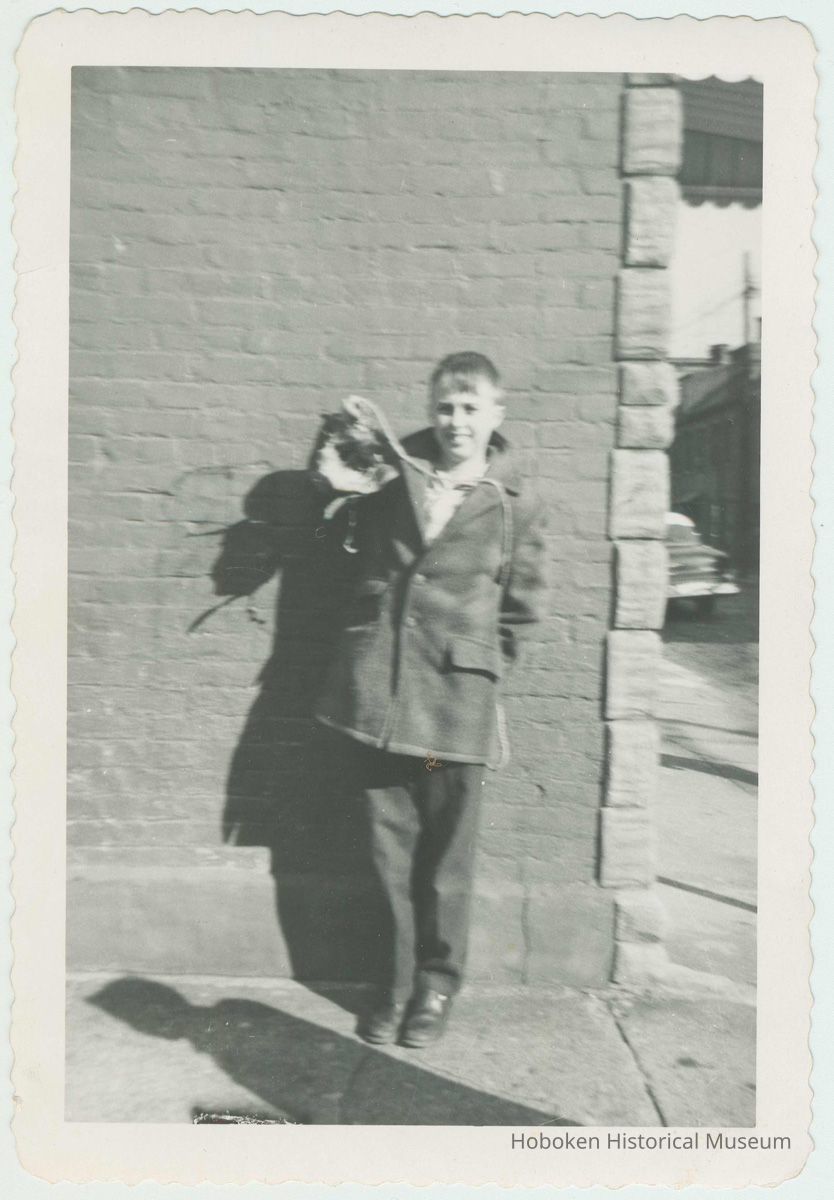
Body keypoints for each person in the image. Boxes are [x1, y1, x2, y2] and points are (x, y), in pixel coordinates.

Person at [314, 351, 548, 1048]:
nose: (456, 421)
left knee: (447, 860)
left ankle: (436, 991)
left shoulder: (518, 503)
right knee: (386, 854)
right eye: (445, 407)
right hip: (382, 696)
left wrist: (477, 668)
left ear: (495, 416)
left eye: (471, 408)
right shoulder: (391, 477)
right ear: (431, 410)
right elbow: (342, 537)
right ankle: (390, 990)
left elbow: (524, 609)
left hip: (457, 708)